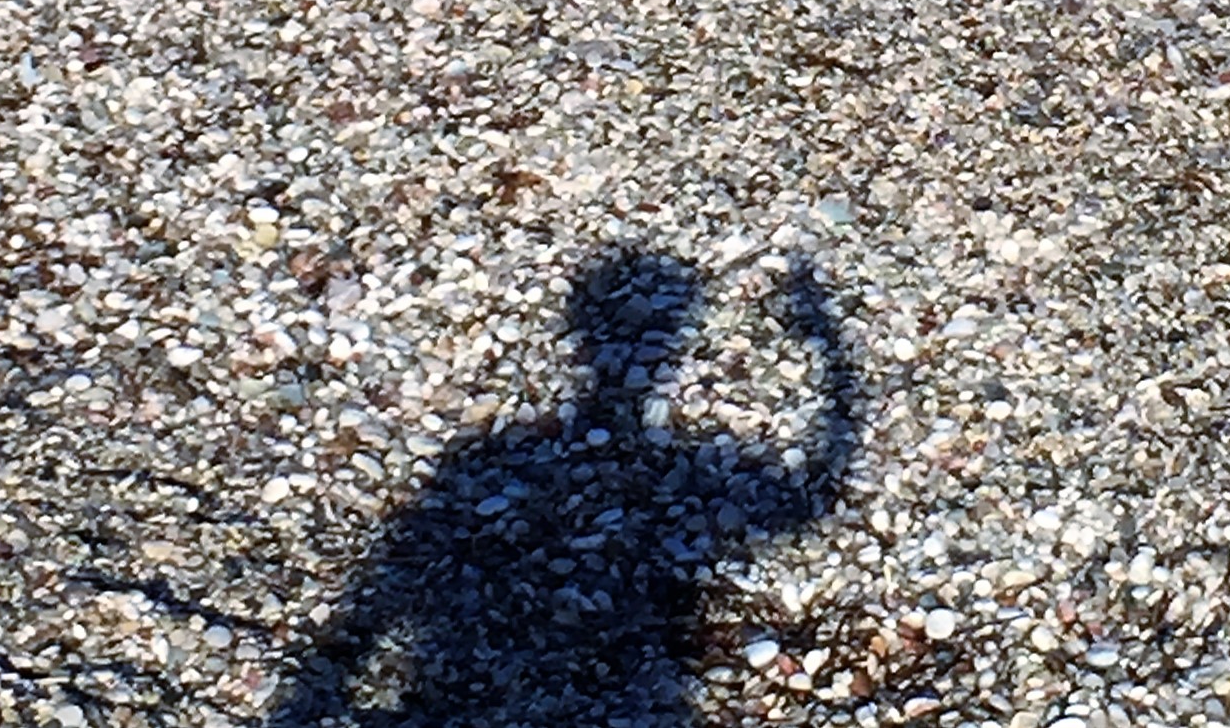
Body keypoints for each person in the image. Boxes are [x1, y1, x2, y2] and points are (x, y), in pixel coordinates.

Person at [267, 245, 859, 726]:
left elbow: (383, 591)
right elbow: (811, 493)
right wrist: (831, 360)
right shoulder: (696, 469)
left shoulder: (488, 458)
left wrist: (319, 690)